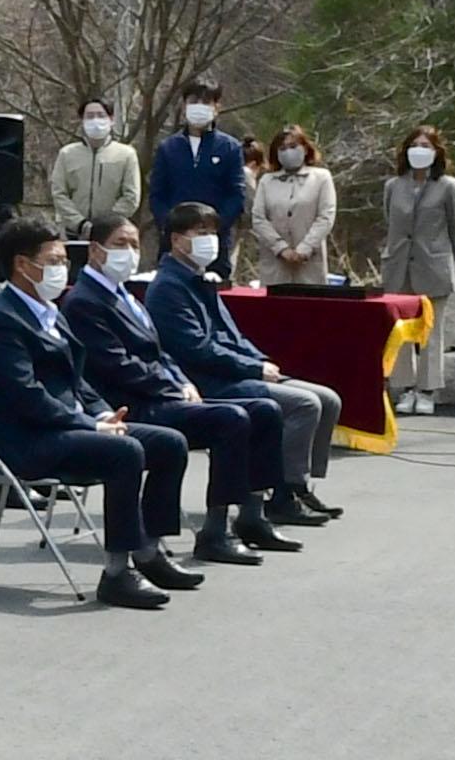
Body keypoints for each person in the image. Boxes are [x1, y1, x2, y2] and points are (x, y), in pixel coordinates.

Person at [0, 222, 193, 610]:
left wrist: (102, 413)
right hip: (26, 437)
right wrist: (91, 426)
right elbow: (25, 397)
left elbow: (77, 379)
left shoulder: (49, 311)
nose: (62, 269)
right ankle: (117, 573)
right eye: (53, 260)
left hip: (68, 426)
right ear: (22, 264)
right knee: (125, 452)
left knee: (169, 443)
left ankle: (148, 550)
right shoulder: (0, 320)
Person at [61, 214, 294, 566]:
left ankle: (252, 513)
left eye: (135, 245)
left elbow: (158, 351)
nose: (130, 253)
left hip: (164, 392)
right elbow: (117, 365)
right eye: (120, 245)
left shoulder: (124, 294)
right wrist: (170, 387)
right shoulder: (85, 301)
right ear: (95, 250)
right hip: (132, 403)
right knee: (230, 419)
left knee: (264, 410)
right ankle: (216, 531)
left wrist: (182, 380)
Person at [149, 200, 342, 523]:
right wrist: (252, 369)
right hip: (209, 380)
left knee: (328, 399)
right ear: (177, 239)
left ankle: (299, 482)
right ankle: (282, 492)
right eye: (200, 232)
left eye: (213, 232)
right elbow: (196, 349)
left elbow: (232, 336)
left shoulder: (201, 279)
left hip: (234, 368)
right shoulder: (169, 287)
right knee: (304, 404)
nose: (210, 239)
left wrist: (260, 361)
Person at [377, 124, 455, 407]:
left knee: (431, 330)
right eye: (415, 145)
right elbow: (390, 222)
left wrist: (443, 257)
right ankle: (404, 387)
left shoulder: (449, 187)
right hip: (398, 266)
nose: (420, 150)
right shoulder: (393, 186)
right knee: (401, 329)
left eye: (426, 146)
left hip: (434, 266)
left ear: (436, 151)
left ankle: (427, 390)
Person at [151, 81, 250, 277]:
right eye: (194, 101)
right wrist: (172, 228)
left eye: (206, 102)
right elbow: (157, 195)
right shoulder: (168, 147)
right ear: (184, 105)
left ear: (216, 108)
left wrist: (212, 229)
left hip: (214, 244)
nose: (199, 106)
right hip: (175, 244)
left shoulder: (230, 147)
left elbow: (236, 194)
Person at [254, 123, 338, 288]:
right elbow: (258, 218)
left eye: (293, 146)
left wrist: (304, 249)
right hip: (275, 263)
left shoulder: (321, 177)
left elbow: (326, 216)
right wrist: (281, 248)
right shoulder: (267, 181)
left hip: (309, 261)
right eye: (283, 148)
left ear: (305, 148)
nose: (288, 152)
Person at [51, 99, 142, 233]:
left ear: (111, 119)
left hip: (112, 233)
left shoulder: (126, 154)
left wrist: (107, 225)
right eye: (90, 116)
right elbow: (59, 193)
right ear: (82, 121)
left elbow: (131, 197)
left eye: (101, 115)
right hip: (72, 232)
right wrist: (79, 224)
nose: (95, 120)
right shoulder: (67, 154)